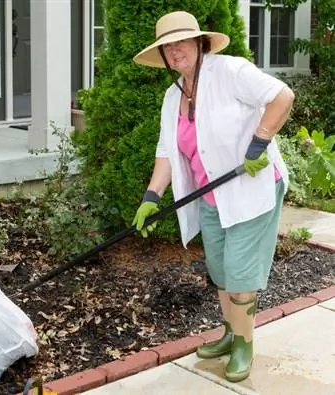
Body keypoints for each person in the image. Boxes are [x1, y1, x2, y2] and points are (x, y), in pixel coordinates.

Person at [131, 11, 295, 383]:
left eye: (181, 42)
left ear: (200, 42)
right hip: (210, 198)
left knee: (238, 271)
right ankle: (229, 333)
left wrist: (260, 141)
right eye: (167, 47)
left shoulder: (231, 72)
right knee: (219, 270)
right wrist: (151, 196)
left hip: (251, 189)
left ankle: (244, 344)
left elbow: (282, 96)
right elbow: (166, 150)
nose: (175, 51)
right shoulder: (173, 97)